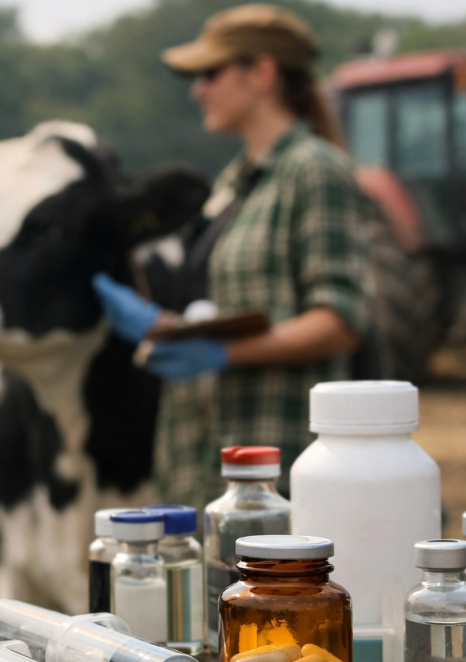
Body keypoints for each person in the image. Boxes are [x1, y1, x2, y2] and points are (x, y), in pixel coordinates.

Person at [93, 4, 371, 505]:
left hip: (277, 480)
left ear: (261, 73)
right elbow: (230, 313)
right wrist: (167, 328)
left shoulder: (314, 171)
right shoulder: (231, 185)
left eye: (210, 73)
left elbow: (340, 320)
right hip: (204, 468)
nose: (198, 90)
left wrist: (222, 355)